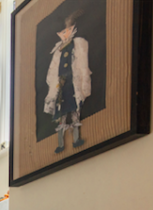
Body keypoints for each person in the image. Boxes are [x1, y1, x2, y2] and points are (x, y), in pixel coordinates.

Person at [43, 10, 92, 153]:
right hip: (61, 86)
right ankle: (60, 144)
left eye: (69, 29)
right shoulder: (58, 49)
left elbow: (83, 66)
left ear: (74, 29)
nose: (66, 32)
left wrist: (84, 86)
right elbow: (52, 70)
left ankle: (76, 139)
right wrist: (53, 85)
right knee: (61, 116)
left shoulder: (79, 44)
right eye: (64, 30)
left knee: (75, 113)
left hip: (72, 84)